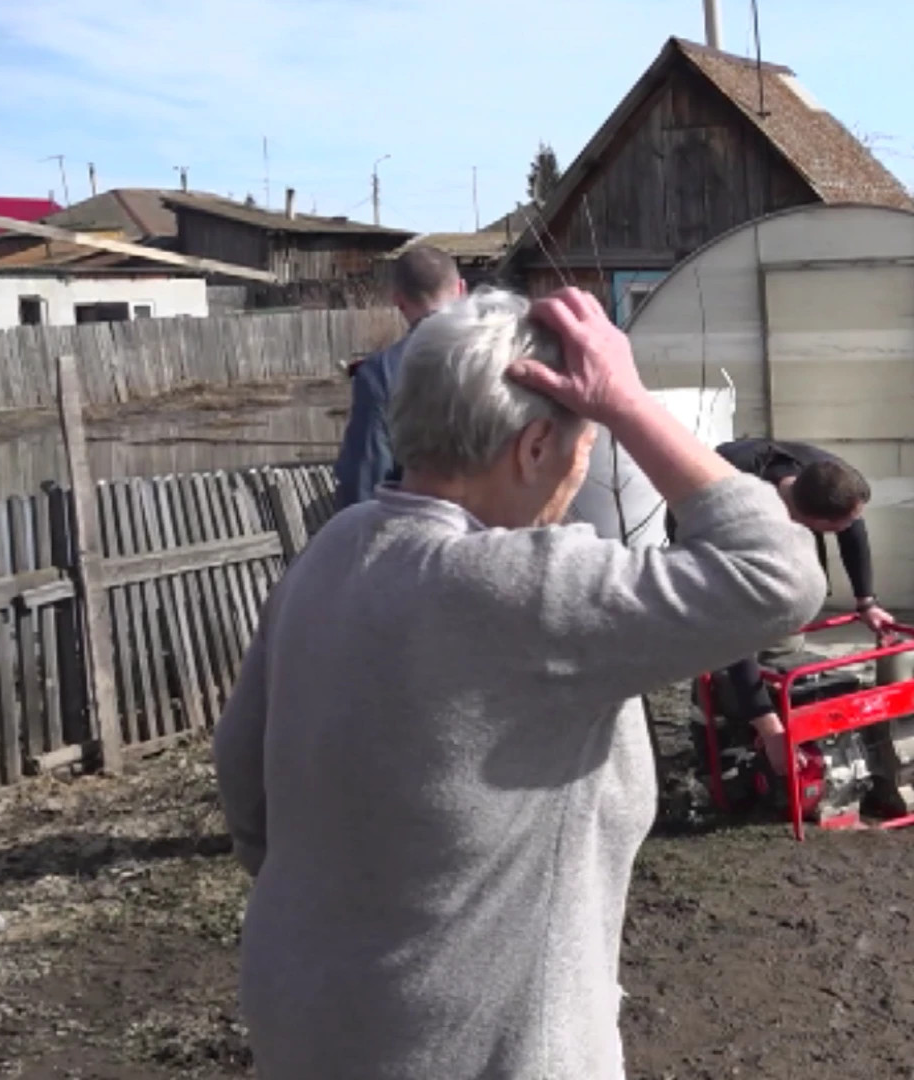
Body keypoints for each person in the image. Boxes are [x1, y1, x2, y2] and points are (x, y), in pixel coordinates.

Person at [213, 286, 826, 1080]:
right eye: (585, 445)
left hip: (307, 1019)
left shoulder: (339, 546)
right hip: (474, 1049)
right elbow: (777, 575)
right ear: (533, 448)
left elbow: (244, 781)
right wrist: (628, 401)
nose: (583, 465)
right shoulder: (523, 588)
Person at [667, 438, 893, 771]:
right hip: (698, 545)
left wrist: (867, 602)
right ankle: (716, 756)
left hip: (772, 519)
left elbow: (852, 529)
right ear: (809, 521)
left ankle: (778, 734)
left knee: (783, 651)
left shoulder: (827, 478)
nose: (849, 528)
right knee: (719, 666)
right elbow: (735, 633)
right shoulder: (729, 520)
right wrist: (769, 728)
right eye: (838, 526)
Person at [332, 245, 467, 510]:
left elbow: (365, 480)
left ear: (399, 301)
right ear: (461, 289)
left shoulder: (380, 373)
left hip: (427, 533)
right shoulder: (506, 356)